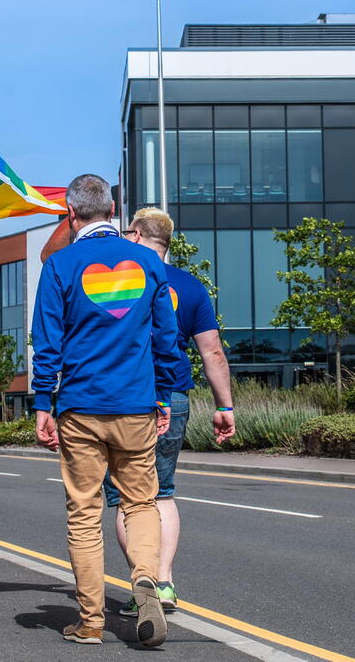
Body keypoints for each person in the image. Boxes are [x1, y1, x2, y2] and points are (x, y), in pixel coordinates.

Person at [32, 174, 178, 647]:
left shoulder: (60, 266)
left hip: (80, 407)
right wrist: (163, 397)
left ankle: (91, 621)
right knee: (141, 504)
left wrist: (41, 404)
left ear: (71, 215)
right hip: (136, 404)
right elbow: (166, 339)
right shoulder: (148, 263)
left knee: (84, 512)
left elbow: (47, 343)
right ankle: (145, 581)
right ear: (114, 210)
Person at [102, 207, 236, 616]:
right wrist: (224, 405)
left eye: (128, 231)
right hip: (174, 396)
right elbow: (211, 351)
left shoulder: (120, 280)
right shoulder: (191, 287)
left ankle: (142, 582)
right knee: (162, 491)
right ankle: (164, 582)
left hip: (128, 397)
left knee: (128, 497)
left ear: (138, 235)